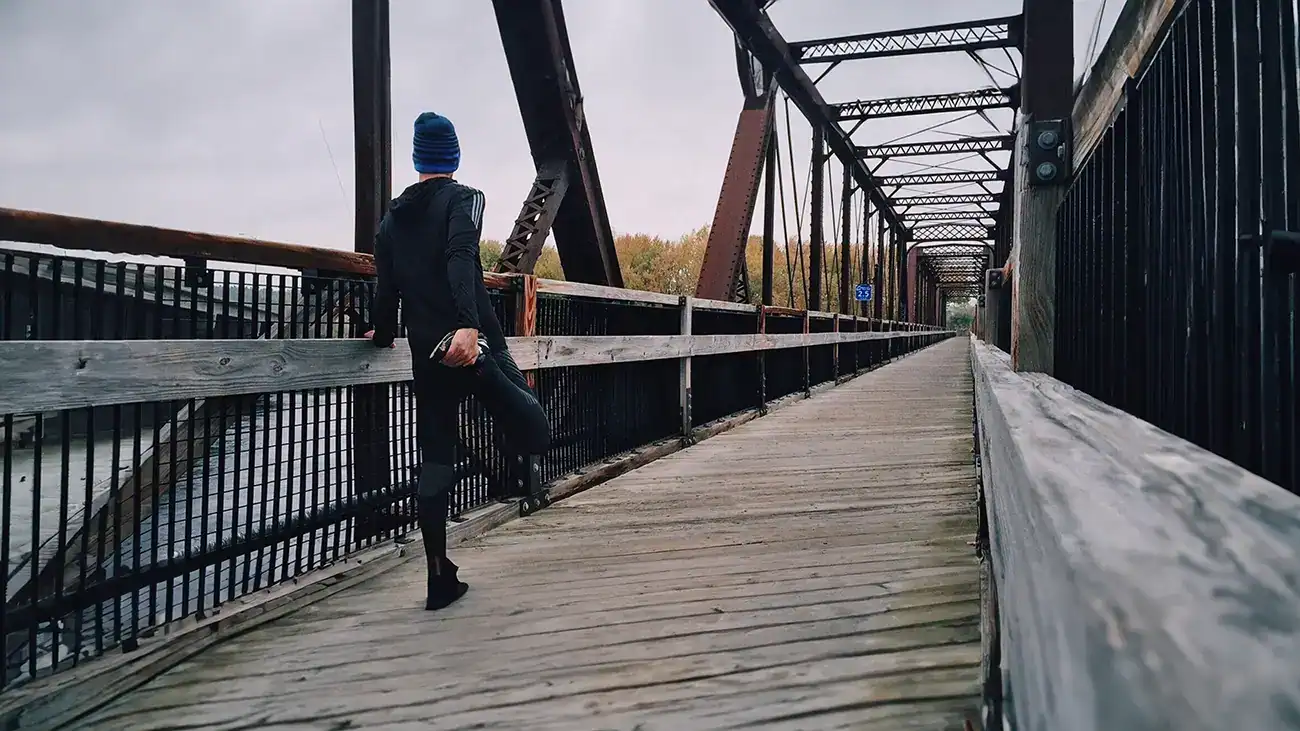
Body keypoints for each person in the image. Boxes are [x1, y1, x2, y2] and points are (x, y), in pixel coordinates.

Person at [365, 111, 551, 611]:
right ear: (454, 155)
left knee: (436, 461)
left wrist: (382, 333)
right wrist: (470, 328)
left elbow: (387, 291)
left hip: (428, 356)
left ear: (416, 159)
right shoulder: (465, 199)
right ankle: (485, 368)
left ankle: (438, 577)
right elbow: (460, 257)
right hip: (474, 344)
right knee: (535, 432)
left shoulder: (390, 222)